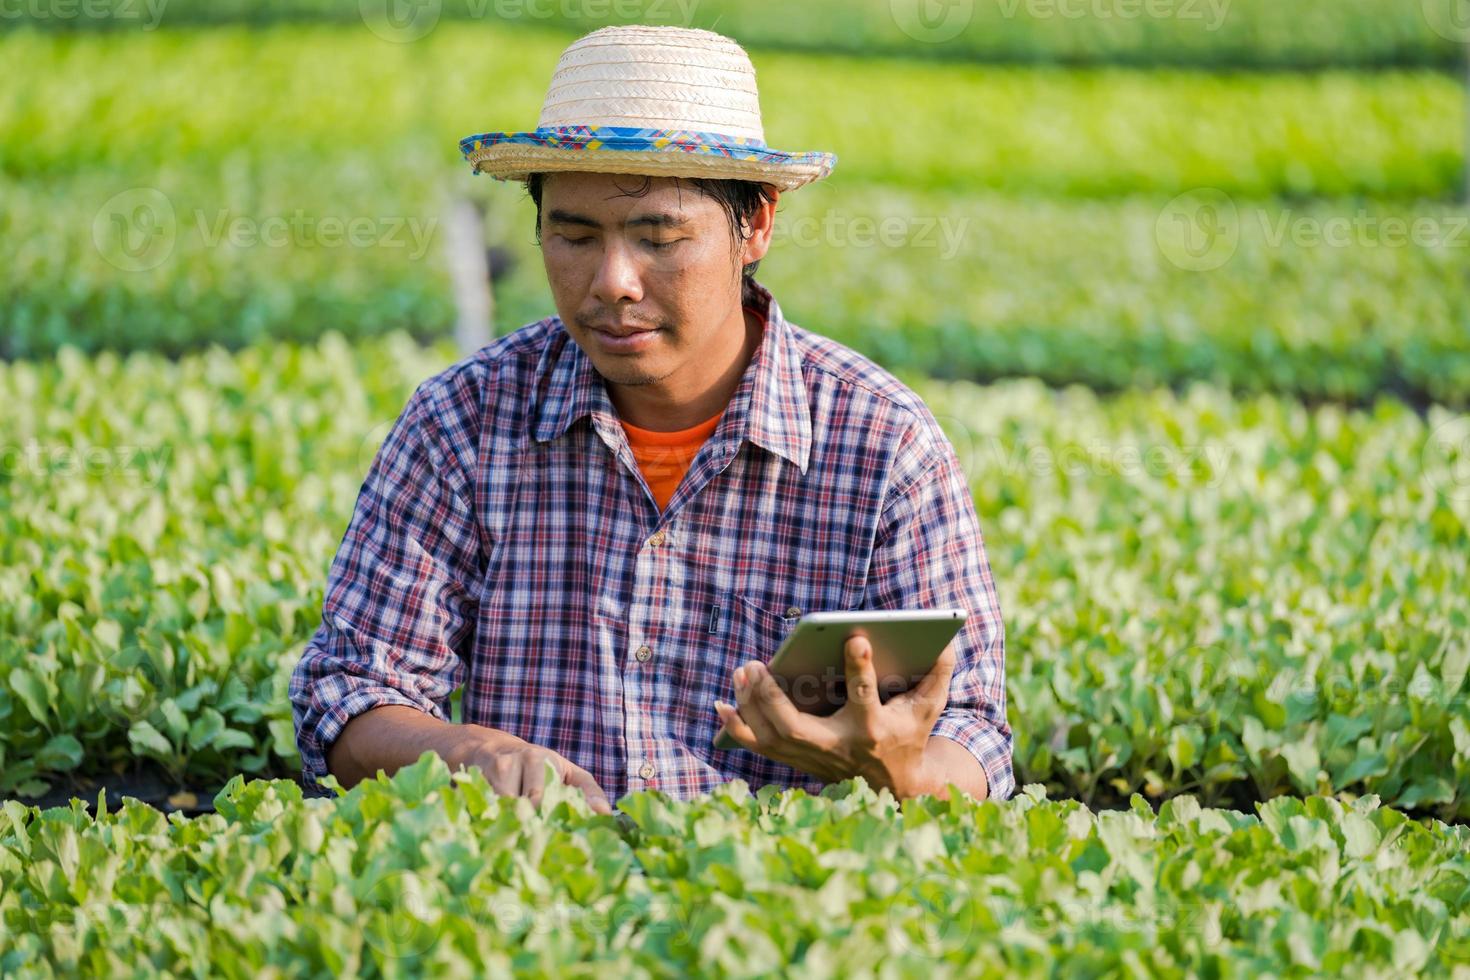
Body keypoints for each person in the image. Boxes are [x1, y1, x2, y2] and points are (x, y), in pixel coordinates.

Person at [289, 25, 1011, 814]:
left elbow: (974, 739)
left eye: (659, 239)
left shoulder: (884, 447)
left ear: (756, 226)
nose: (613, 282)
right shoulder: (460, 425)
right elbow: (350, 693)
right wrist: (472, 752)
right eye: (572, 235)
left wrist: (891, 767)